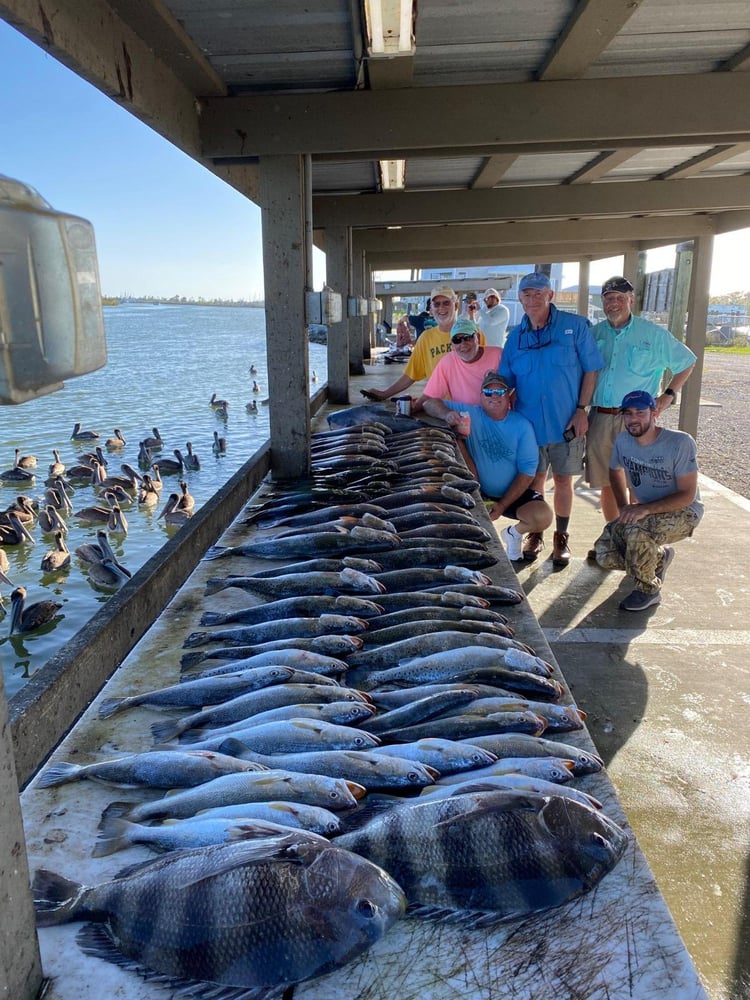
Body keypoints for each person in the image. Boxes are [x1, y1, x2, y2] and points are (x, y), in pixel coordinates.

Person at [499, 271, 603, 567]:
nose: (532, 300)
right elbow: (505, 381)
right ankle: (536, 533)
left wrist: (582, 409)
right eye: (526, 294)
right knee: (535, 481)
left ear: (550, 295)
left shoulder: (576, 327)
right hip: (528, 427)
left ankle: (562, 536)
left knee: (564, 480)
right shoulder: (515, 338)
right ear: (520, 298)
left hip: (566, 424)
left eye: (537, 293)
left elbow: (591, 370)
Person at [585, 275, 697, 523]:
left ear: (631, 300)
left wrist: (668, 394)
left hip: (637, 419)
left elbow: (687, 362)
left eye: (618, 298)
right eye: (607, 298)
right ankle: (616, 536)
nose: (613, 303)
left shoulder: (653, 334)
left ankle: (640, 538)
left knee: (640, 482)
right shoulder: (593, 334)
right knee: (608, 483)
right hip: (601, 416)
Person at [421, 371, 553, 563]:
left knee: (543, 517)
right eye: (488, 392)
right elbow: (428, 402)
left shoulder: (522, 425)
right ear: (480, 396)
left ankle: (513, 534)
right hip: (478, 491)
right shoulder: (470, 413)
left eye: (500, 392)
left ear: (509, 396)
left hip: (513, 494)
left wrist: (502, 506)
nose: (494, 397)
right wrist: (448, 414)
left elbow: (527, 473)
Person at [590, 389, 703, 611]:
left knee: (635, 532)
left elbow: (687, 495)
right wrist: (624, 507)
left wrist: (645, 510)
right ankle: (659, 557)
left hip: (684, 512)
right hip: (646, 510)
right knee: (604, 552)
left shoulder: (679, 442)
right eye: (628, 413)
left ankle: (648, 590)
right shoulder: (623, 440)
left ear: (654, 413)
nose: (633, 419)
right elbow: (615, 471)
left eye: (640, 412)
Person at [361, 286, 483, 413]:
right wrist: (384, 394)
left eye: (447, 303)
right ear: (431, 308)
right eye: (437, 304)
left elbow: (488, 371)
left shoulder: (474, 333)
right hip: (439, 408)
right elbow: (411, 374)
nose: (441, 308)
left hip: (471, 406)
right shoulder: (426, 338)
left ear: (456, 305)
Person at [421, 317, 502, 409]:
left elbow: (515, 389)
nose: (463, 344)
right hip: (464, 417)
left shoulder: (498, 355)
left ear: (478, 337)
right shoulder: (447, 362)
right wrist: (411, 409)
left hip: (496, 416)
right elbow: (430, 397)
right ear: (452, 345)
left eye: (468, 338)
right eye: (457, 340)